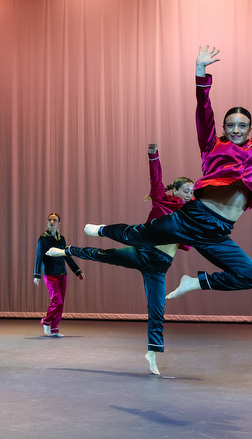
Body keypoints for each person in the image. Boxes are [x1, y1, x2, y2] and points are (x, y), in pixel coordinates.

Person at [83, 47, 252, 300]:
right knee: (136, 236)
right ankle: (102, 230)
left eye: (242, 126)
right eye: (230, 125)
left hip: (217, 232)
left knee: (250, 276)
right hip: (192, 218)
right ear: (224, 128)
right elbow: (203, 110)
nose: (236, 130)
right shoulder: (212, 145)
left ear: (250, 129)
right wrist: (200, 71)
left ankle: (194, 283)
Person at [48, 143, 194, 374]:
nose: (189, 194)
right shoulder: (162, 200)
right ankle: (70, 248)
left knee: (157, 310)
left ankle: (152, 352)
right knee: (103, 255)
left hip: (159, 266)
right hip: (142, 251)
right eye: (186, 190)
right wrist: (153, 155)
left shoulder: (190, 214)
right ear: (174, 191)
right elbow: (156, 181)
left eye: (192, 191)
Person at [33, 213, 84, 337]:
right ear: (47, 222)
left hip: (62, 272)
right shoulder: (43, 238)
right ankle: (46, 321)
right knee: (57, 301)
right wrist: (37, 274)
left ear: (58, 223)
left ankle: (55, 328)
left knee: (61, 302)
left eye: (54, 220)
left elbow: (66, 255)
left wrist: (77, 271)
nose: (52, 222)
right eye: (50, 219)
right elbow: (39, 256)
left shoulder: (61, 239)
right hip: (50, 273)